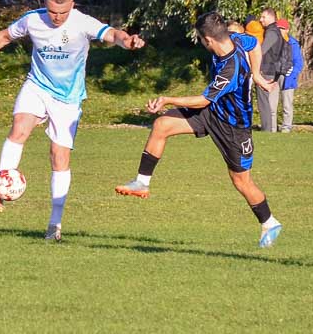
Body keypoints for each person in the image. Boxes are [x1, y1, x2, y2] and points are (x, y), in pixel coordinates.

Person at [0, 0, 145, 242]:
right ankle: (1, 188)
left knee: (59, 156)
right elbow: (4, 37)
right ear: (46, 5)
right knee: (19, 128)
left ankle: (55, 223)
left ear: (72, 5)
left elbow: (112, 34)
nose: (57, 17)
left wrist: (127, 41)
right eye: (53, 11)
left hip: (68, 99)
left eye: (62, 12)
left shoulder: (82, 23)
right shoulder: (33, 20)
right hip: (37, 86)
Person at [114, 12, 282, 248]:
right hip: (213, 112)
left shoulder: (229, 69)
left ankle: (269, 222)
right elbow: (254, 44)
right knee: (162, 125)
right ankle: (142, 182)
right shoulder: (235, 37)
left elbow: (203, 100)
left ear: (208, 40)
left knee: (242, 182)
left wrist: (167, 99)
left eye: (201, 41)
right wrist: (257, 74)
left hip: (233, 128)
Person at [256, 7, 283, 132]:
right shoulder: (275, 31)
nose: (261, 20)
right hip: (272, 69)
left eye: (263, 17)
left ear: (271, 17)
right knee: (265, 100)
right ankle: (267, 128)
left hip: (267, 70)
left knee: (263, 101)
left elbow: (263, 50)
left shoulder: (272, 32)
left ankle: (266, 129)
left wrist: (255, 64)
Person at [276, 18, 303, 133]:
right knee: (272, 104)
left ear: (287, 29)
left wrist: (292, 73)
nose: (280, 31)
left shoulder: (293, 43)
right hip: (275, 75)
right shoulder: (273, 42)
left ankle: (286, 127)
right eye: (278, 29)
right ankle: (271, 128)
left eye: (282, 29)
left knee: (287, 104)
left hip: (288, 77)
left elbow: (299, 62)